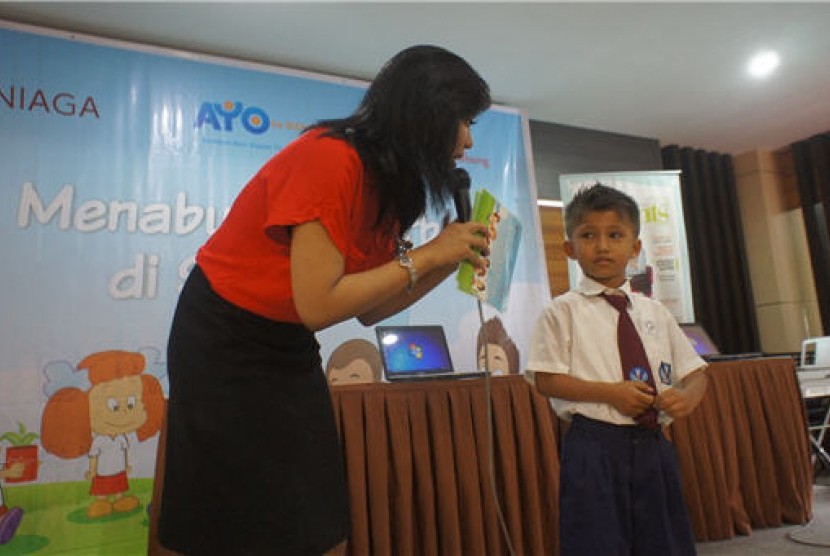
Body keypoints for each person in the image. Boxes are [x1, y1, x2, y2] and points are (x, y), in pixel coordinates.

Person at [155, 45, 491, 555]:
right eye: (463, 120)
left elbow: (370, 308)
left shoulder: (394, 186)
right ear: (426, 113)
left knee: (315, 507)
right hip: (223, 337)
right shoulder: (330, 157)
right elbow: (318, 302)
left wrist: (447, 262)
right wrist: (427, 256)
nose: (467, 140)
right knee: (225, 508)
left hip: (286, 340)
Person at [525, 183, 708, 555]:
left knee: (664, 537)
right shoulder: (561, 311)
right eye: (588, 235)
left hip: (653, 442)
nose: (603, 246)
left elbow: (696, 372)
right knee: (596, 539)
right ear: (569, 249)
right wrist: (611, 393)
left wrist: (688, 398)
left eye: (615, 235)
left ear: (635, 248)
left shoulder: (655, 312)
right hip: (593, 444)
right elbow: (545, 378)